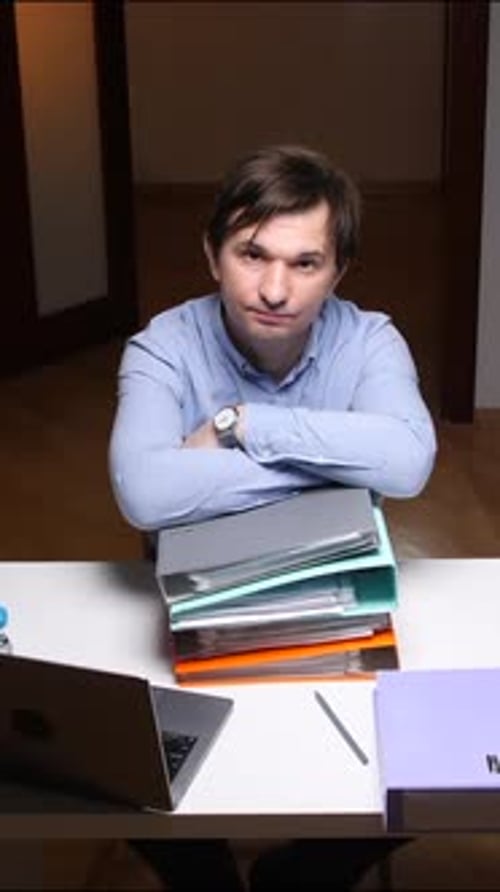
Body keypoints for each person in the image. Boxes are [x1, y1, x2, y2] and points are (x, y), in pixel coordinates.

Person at [109, 144, 436, 890]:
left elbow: (408, 465)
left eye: (306, 263)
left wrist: (242, 425)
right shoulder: (163, 346)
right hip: (199, 608)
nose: (275, 289)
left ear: (339, 271)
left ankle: (307, 873)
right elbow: (145, 493)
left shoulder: (370, 339)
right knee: (109, 762)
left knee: (438, 763)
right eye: (252, 254)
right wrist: (337, 464)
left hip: (339, 603)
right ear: (212, 253)